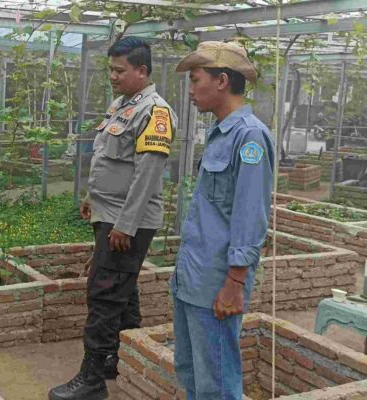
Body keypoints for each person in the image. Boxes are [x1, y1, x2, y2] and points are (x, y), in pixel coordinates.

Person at [49, 37, 177, 400]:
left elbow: (147, 174)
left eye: (120, 71)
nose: (113, 77)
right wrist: (94, 198)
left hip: (127, 220)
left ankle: (91, 381)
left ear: (142, 70)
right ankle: (118, 356)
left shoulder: (155, 112)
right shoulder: (122, 105)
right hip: (111, 214)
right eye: (111, 70)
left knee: (104, 293)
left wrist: (125, 224)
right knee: (123, 288)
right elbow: (109, 157)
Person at [172, 41, 274, 399]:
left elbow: (250, 214)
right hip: (193, 278)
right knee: (192, 373)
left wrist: (234, 281)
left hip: (217, 283)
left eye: (195, 79)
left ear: (221, 81)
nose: (190, 90)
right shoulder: (219, 133)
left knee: (216, 383)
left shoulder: (250, 138)